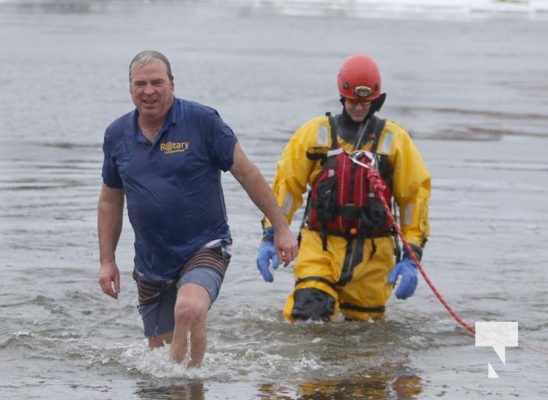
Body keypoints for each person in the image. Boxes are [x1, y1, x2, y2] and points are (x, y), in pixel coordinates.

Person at [98, 50, 298, 366]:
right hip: (152, 260)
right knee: (159, 358)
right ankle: (185, 386)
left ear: (172, 84)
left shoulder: (202, 122)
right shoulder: (117, 134)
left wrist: (281, 228)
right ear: (130, 88)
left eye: (156, 82)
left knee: (188, 310)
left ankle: (187, 383)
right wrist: (107, 261)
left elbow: (247, 173)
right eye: (140, 84)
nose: (148, 91)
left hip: (204, 245)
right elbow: (110, 199)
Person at [256, 54, 431, 322]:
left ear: (375, 100)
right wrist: (272, 234)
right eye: (352, 101)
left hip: (373, 257)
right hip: (321, 246)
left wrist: (411, 256)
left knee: (363, 338)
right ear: (342, 96)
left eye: (365, 102)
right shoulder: (314, 135)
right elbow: (286, 187)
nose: (358, 108)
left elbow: (414, 199)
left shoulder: (395, 141)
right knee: (308, 314)